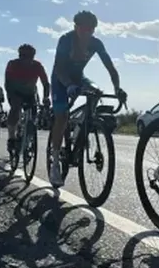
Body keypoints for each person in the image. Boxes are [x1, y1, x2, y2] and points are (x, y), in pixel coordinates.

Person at [49, 10, 126, 186]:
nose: (86, 32)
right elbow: (59, 68)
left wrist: (117, 89)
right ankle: (54, 162)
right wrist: (68, 85)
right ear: (76, 27)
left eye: (90, 29)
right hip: (61, 79)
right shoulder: (65, 40)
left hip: (79, 77)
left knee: (96, 92)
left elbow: (111, 68)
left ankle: (83, 128)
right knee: (62, 117)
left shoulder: (96, 43)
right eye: (83, 28)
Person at [4, 43, 50, 154]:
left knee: (33, 115)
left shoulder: (37, 66)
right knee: (15, 109)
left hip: (30, 93)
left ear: (33, 56)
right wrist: (13, 98)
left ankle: (28, 135)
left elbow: (45, 83)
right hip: (14, 92)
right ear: (19, 55)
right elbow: (7, 83)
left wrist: (46, 97)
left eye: (28, 56)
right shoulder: (12, 64)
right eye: (22, 56)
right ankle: (11, 137)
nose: (25, 59)